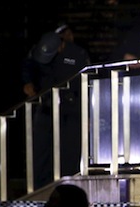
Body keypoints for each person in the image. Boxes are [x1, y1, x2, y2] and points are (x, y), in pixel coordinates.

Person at [22, 28, 90, 188]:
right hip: (46, 106)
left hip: (72, 109)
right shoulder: (38, 51)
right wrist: (27, 83)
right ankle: (39, 189)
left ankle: (67, 188)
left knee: (69, 151)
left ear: (60, 46)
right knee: (40, 150)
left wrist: (88, 113)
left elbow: (87, 83)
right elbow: (27, 67)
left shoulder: (77, 54)